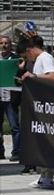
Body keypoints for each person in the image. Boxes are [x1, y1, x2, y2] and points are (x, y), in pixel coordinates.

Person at [18, 35, 54, 189]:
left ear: (29, 50)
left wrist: (34, 76)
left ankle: (48, 176)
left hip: (47, 106)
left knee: (45, 142)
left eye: (25, 56)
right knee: (39, 142)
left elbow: (53, 77)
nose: (27, 59)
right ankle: (43, 175)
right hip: (40, 105)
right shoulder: (39, 60)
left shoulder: (45, 58)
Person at [0, 34, 21, 163]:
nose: (4, 45)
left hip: (10, 98)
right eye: (2, 43)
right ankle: (0, 152)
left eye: (6, 43)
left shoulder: (16, 60)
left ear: (10, 45)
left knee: (15, 126)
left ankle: (16, 152)